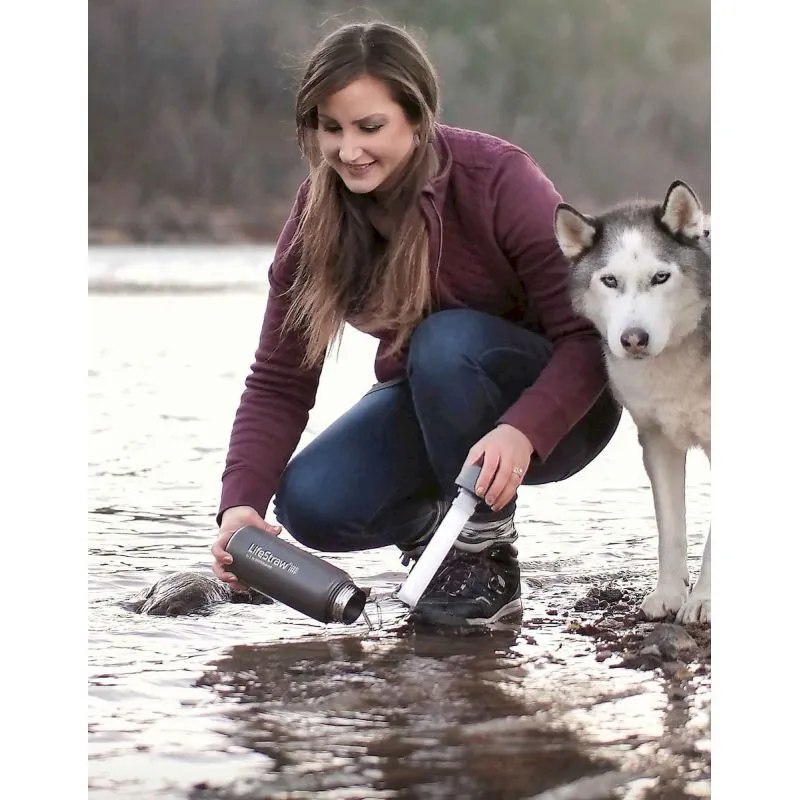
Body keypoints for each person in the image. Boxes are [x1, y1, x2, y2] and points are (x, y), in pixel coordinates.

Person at [210, 21, 622, 627]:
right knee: (311, 502)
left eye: (369, 127)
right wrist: (239, 506)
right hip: (430, 402)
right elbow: (279, 379)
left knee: (445, 340)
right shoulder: (315, 218)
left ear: (418, 116)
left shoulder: (498, 179)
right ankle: (438, 532)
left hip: (559, 414)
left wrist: (524, 430)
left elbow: (589, 337)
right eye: (332, 128)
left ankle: (485, 559)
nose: (348, 150)